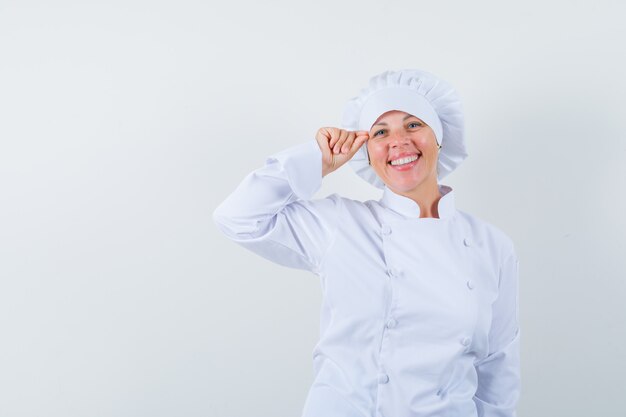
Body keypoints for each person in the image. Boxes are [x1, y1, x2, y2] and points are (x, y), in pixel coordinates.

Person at [213, 69, 520, 417]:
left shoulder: (492, 246)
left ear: (440, 137)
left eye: (414, 125)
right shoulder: (340, 224)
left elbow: (498, 372)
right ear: (368, 152)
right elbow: (238, 218)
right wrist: (317, 159)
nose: (398, 141)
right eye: (380, 132)